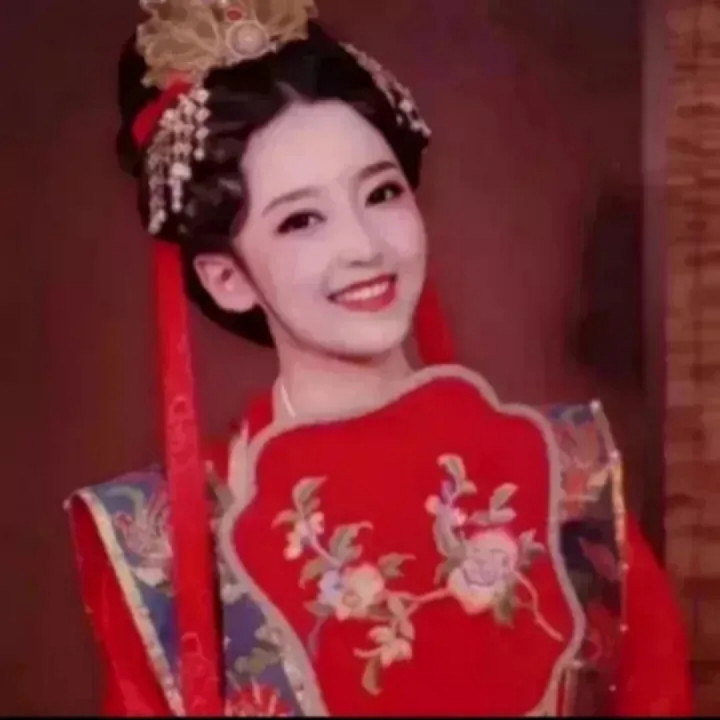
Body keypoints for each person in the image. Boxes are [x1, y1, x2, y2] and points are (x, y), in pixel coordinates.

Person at [66, 0, 693, 715]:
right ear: (226, 277)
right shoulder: (160, 543)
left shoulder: (570, 471)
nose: (364, 246)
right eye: (302, 220)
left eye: (382, 193)